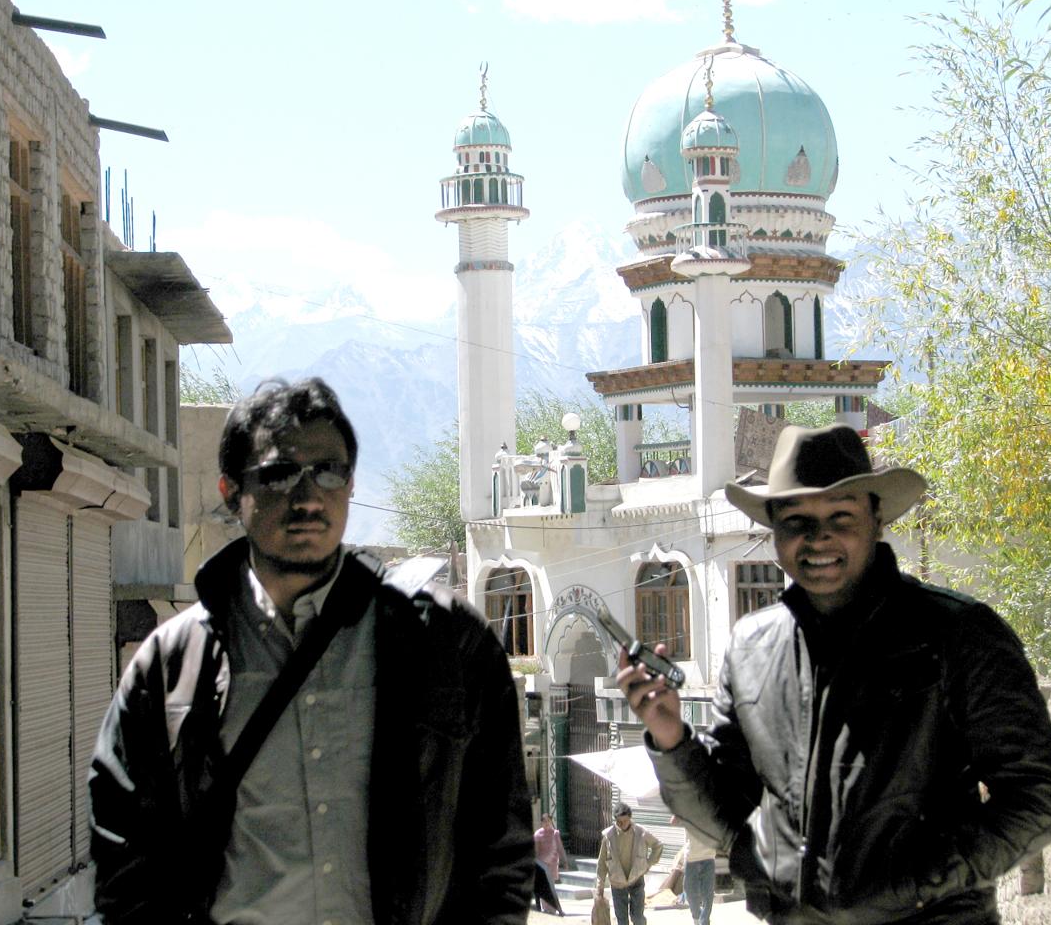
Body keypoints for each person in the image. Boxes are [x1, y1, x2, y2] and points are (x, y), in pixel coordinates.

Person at [88, 377, 534, 924]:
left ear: (350, 484)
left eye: (328, 471)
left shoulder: (446, 644)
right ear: (231, 492)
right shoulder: (173, 668)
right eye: (279, 475)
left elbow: (502, 854)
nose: (307, 497)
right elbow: (123, 861)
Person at [618, 423, 1051, 925]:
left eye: (841, 516)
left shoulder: (957, 634)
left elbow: (1040, 797)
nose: (819, 539)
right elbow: (732, 820)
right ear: (773, 530)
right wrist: (670, 736)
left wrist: (914, 885)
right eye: (797, 521)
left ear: (876, 520)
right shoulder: (751, 648)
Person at [596, 803, 663, 925]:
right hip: (617, 882)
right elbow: (602, 863)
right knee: (622, 920)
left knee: (638, 918)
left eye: (625, 821)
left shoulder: (641, 832)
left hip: (636, 879)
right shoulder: (608, 836)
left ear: (630, 819)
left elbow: (657, 846)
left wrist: (648, 864)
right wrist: (599, 886)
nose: (622, 824)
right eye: (619, 822)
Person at [535, 813, 569, 882]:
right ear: (541, 823)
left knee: (551, 882)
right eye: (544, 821)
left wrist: (565, 862)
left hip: (553, 863)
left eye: (548, 821)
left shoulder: (555, 833)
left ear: (551, 821)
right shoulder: (538, 834)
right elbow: (536, 850)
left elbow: (560, 848)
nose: (547, 823)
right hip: (542, 863)